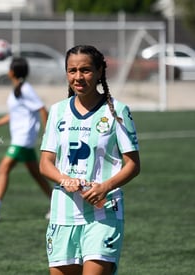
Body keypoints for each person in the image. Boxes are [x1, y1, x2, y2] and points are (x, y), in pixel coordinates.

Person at [39, 44, 140, 275]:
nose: (78, 77)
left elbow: (133, 164)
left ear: (99, 72)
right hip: (63, 213)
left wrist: (105, 187)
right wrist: (64, 179)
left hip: (103, 213)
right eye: (72, 70)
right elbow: (45, 163)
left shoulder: (117, 111)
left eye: (85, 70)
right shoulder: (57, 111)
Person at [0, 56, 52, 222]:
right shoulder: (18, 88)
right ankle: (57, 204)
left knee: (3, 168)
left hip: (23, 139)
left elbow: (42, 109)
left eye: (9, 68)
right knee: (37, 174)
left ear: (13, 71)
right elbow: (14, 115)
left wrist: (49, 133)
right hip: (21, 139)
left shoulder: (26, 89)